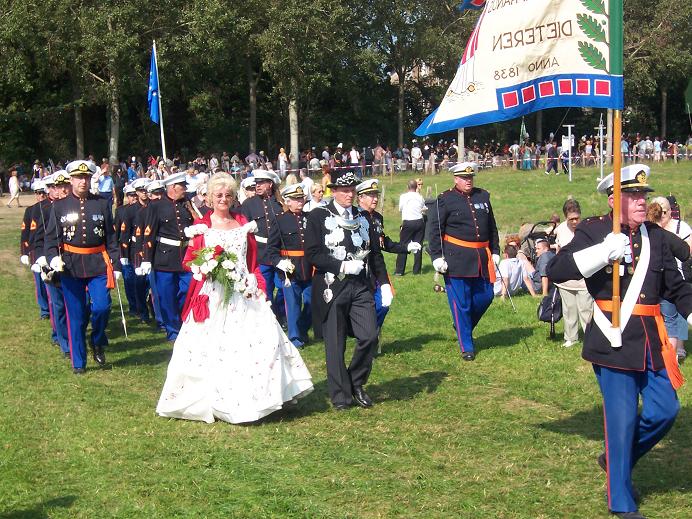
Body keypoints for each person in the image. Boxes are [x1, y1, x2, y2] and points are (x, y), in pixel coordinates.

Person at [547, 164, 692, 519]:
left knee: (665, 410)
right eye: (633, 195)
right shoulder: (595, 230)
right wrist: (600, 253)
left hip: (650, 341)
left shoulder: (655, 237)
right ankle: (621, 502)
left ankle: (615, 460)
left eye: (643, 194)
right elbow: (556, 270)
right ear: (614, 199)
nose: (641, 201)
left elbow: (676, 286)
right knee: (621, 420)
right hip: (612, 339)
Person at [156, 173, 313, 424]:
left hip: (243, 291)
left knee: (264, 341)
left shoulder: (242, 224)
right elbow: (189, 260)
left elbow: (252, 261)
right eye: (218, 195)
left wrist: (256, 284)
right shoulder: (202, 228)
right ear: (209, 198)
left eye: (228, 195)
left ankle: (263, 396)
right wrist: (205, 267)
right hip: (214, 294)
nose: (223, 199)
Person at [305, 170, 388, 410]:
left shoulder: (363, 217)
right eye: (344, 190)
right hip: (332, 285)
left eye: (352, 190)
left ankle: (356, 382)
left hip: (361, 286)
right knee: (335, 344)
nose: (349, 194)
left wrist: (382, 282)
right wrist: (341, 265)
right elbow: (313, 254)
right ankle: (341, 396)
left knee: (369, 336)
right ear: (334, 191)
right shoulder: (318, 216)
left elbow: (374, 253)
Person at [44, 161, 120, 374]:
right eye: (78, 178)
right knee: (76, 315)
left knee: (102, 307)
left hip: (97, 263)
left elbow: (110, 236)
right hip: (71, 265)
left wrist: (115, 264)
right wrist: (52, 259)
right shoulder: (59, 206)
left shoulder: (102, 203)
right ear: (71, 180)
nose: (83, 182)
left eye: (86, 178)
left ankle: (97, 339)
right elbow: (51, 239)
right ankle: (79, 362)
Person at [429, 162, 499, 361]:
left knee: (486, 296)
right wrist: (436, 257)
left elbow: (491, 226)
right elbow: (435, 231)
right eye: (464, 178)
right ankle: (466, 346)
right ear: (455, 179)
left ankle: (462, 325)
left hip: (481, 258)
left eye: (470, 177)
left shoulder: (483, 196)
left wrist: (495, 250)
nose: (468, 181)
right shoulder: (445, 199)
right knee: (461, 304)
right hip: (456, 259)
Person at [356, 178, 418, 341]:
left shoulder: (377, 217)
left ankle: (370, 334)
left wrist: (406, 247)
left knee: (383, 304)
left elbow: (383, 242)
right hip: (359, 270)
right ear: (360, 197)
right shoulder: (353, 217)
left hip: (376, 269)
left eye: (376, 195)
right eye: (370, 195)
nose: (375, 198)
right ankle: (366, 336)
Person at [140, 172, 194, 342]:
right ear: (172, 187)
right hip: (164, 257)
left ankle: (182, 321)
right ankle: (173, 330)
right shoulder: (156, 206)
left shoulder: (186, 205)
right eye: (182, 186)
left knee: (187, 291)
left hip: (185, 256)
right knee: (166, 295)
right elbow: (149, 233)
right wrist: (147, 258)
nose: (184, 190)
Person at [266, 184, 313, 348]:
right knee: (292, 305)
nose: (300, 201)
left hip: (309, 268)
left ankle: (303, 329)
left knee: (311, 303)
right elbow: (271, 249)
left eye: (301, 198)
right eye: (295, 199)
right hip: (290, 270)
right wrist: (279, 262)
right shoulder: (279, 220)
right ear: (287, 201)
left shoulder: (310, 218)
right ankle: (294, 337)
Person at [648, 196, 691, 363]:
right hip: (666, 284)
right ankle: (670, 359)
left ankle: (662, 356)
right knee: (671, 322)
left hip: (651, 286)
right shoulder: (664, 234)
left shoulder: (642, 233)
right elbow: (685, 252)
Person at [240, 170, 286, 323]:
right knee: (264, 287)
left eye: (261, 183)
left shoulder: (280, 203)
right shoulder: (249, 204)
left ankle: (282, 314)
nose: (257, 186)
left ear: (270, 184)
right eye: (256, 183)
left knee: (283, 287)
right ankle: (269, 316)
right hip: (260, 253)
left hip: (280, 252)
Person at [553, 198, 593, 347]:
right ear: (566, 218)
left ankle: (590, 337)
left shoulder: (586, 228)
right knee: (569, 309)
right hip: (566, 277)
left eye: (577, 218)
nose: (575, 222)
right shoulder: (561, 230)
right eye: (571, 219)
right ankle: (570, 337)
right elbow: (558, 250)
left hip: (583, 277)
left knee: (586, 309)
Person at [395, 179, 426, 276]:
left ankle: (400, 271)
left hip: (408, 222)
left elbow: (400, 209)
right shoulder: (420, 197)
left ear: (407, 187)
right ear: (416, 187)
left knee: (403, 245)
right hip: (419, 222)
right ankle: (417, 271)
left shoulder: (403, 196)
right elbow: (423, 208)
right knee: (418, 245)